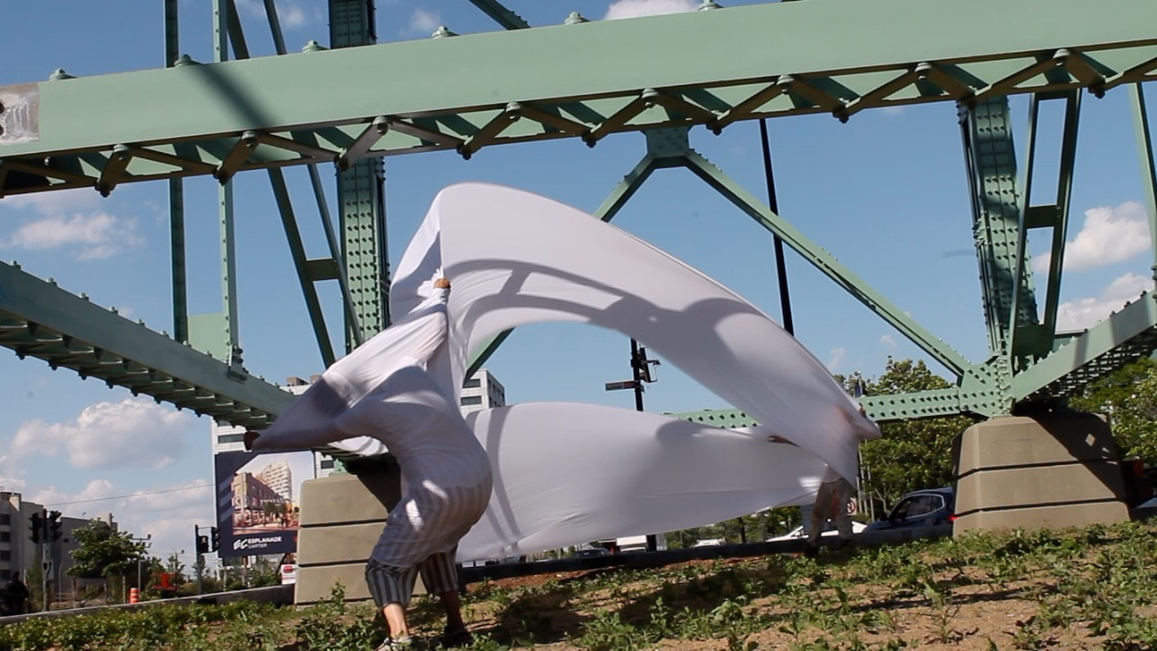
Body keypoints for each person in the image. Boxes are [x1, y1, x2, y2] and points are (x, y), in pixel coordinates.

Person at [244, 278, 493, 650]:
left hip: (437, 490)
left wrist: (263, 440)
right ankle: (457, 628)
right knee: (437, 551)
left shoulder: (369, 409)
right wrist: (440, 294)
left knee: (383, 567)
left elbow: (312, 433)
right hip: (479, 480)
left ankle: (400, 639)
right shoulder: (411, 369)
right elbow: (433, 327)